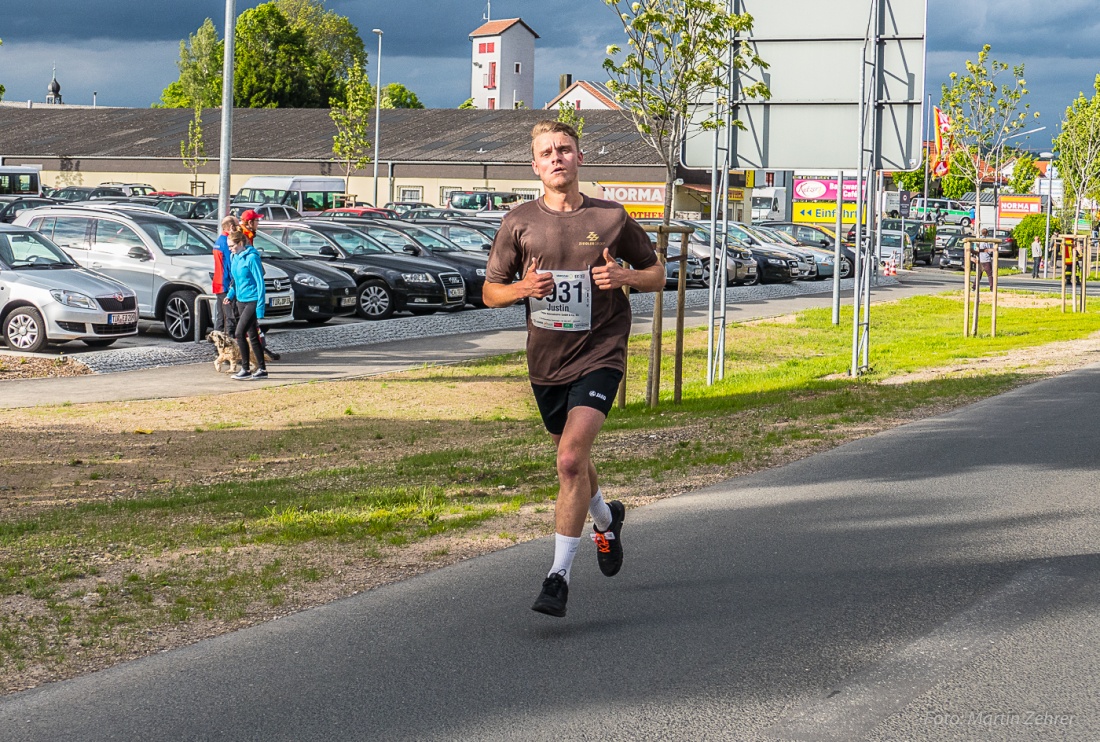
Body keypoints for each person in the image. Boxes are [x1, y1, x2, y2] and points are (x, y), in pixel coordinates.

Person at [483, 121, 664, 618]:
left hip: (601, 352)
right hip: (546, 363)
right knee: (575, 460)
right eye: (547, 152)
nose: (557, 157)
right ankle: (606, 519)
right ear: (535, 166)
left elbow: (658, 273)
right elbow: (490, 291)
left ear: (580, 158)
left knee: (568, 459)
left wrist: (625, 275)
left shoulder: (611, 217)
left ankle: (557, 577)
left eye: (565, 149)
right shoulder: (518, 222)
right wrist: (522, 290)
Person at [223, 228, 268, 380]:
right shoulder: (234, 257)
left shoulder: (252, 258)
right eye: (229, 246)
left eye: (232, 246)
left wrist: (260, 307)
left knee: (239, 333)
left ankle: (245, 368)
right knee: (252, 335)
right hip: (241, 299)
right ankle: (262, 369)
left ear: (241, 243)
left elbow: (260, 282)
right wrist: (230, 295)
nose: (230, 249)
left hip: (252, 299)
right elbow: (236, 280)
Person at [212, 215, 240, 334]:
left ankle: (217, 343)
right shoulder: (227, 243)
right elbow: (231, 265)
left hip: (218, 282)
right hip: (226, 283)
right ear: (232, 227)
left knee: (220, 316)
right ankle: (229, 345)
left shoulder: (219, 241)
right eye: (237, 226)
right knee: (230, 317)